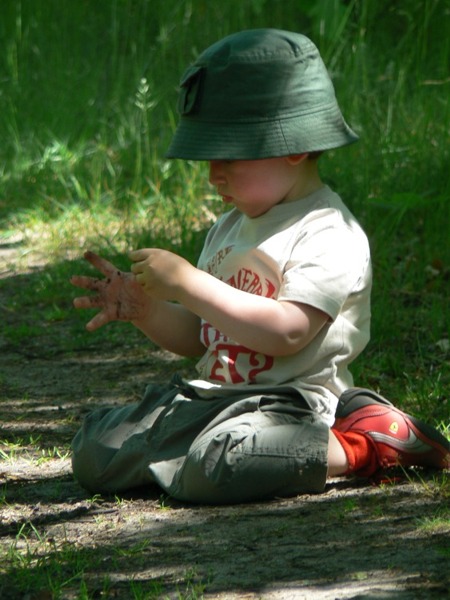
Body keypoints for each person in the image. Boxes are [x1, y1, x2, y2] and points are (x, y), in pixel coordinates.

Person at [70, 29, 449, 504]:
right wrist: (146, 309)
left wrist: (189, 283)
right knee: (95, 450)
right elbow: (199, 336)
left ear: (294, 146)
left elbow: (287, 332)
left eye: (229, 154)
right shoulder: (229, 228)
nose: (213, 175)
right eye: (209, 158)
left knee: (218, 463)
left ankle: (363, 442)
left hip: (289, 406)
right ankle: (187, 459)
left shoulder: (329, 231)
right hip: (211, 398)